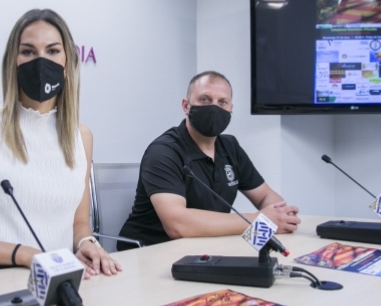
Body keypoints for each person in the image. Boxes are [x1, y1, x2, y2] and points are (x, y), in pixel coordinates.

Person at [0, 9, 121, 277]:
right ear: (11, 63)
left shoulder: (81, 137)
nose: (41, 61)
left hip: (60, 282)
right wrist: (26, 255)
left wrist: (87, 243)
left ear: (68, 63)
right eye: (27, 51)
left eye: (52, 51)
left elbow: (78, 222)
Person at [118, 71, 300, 248]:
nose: (214, 108)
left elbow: (265, 196)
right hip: (150, 253)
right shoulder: (163, 151)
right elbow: (177, 225)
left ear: (231, 109)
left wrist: (280, 218)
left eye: (222, 102)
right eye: (205, 99)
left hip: (206, 249)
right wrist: (259, 220)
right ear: (186, 106)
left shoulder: (230, 147)